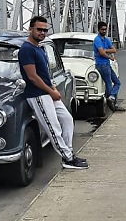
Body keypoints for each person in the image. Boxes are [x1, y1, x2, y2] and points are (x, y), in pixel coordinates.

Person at [18, 16, 88, 170]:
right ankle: (68, 159)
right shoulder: (26, 49)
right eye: (39, 29)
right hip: (37, 94)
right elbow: (33, 77)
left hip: (47, 92)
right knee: (53, 127)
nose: (42, 33)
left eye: (45, 30)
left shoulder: (39, 48)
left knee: (67, 119)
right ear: (31, 29)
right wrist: (51, 91)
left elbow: (44, 73)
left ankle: (68, 153)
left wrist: (53, 88)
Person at [93, 21, 126, 112]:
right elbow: (101, 53)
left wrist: (105, 50)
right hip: (101, 64)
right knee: (108, 82)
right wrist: (109, 57)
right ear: (98, 29)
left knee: (117, 82)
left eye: (105, 29)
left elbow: (114, 50)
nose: (104, 31)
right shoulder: (97, 40)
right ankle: (112, 102)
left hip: (106, 64)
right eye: (102, 29)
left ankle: (111, 98)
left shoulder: (106, 39)